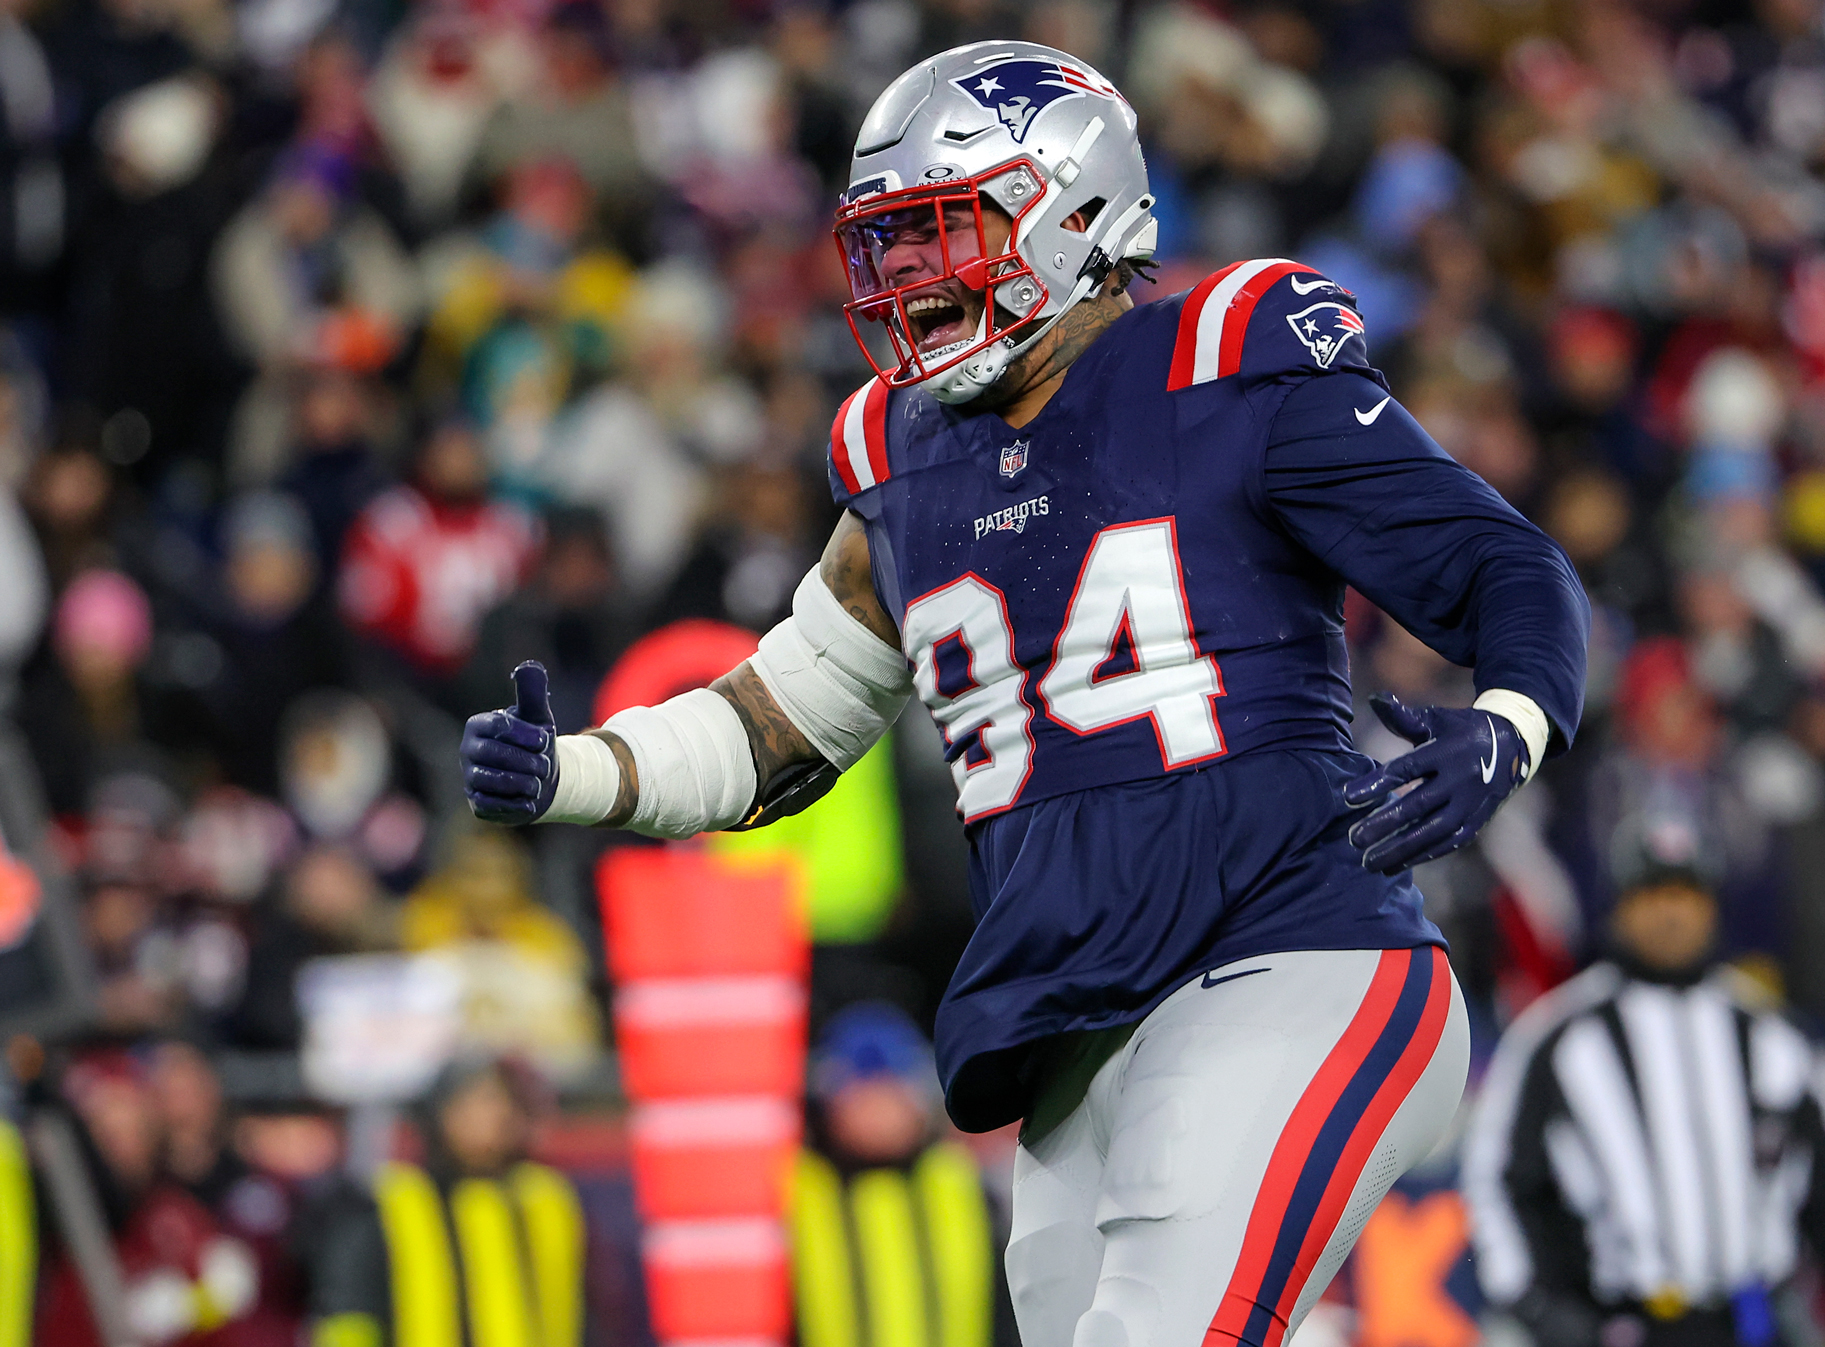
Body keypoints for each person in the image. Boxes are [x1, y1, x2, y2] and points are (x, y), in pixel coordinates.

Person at [459, 40, 1589, 1347]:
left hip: (1294, 949)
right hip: (1075, 1020)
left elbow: (1496, 558)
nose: (907, 281)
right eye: (883, 245)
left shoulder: (1227, 359)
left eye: (942, 230)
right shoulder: (896, 456)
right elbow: (784, 719)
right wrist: (578, 773)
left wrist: (1508, 724)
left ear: (1070, 208)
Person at [1462, 849, 1825, 1347]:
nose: (1671, 913)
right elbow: (1499, 1178)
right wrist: (1537, 1307)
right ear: (1620, 908)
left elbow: (1816, 1180)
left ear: (1711, 908)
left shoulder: (1769, 1036)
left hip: (1753, 1322)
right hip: (1623, 1322)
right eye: (1652, 894)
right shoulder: (1558, 1037)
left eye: (1686, 894)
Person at [308, 1057, 586, 1347]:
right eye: (482, 1100)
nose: (498, 1114)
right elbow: (350, 1314)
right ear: (442, 1112)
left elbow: (581, 1314)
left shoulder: (541, 1202)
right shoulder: (395, 1203)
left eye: (508, 1102)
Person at [791, 1003, 1006, 1347]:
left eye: (893, 1091)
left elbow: (1004, 1311)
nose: (879, 1109)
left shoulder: (964, 1185)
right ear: (828, 1103)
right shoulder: (795, 1193)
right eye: (861, 1093)